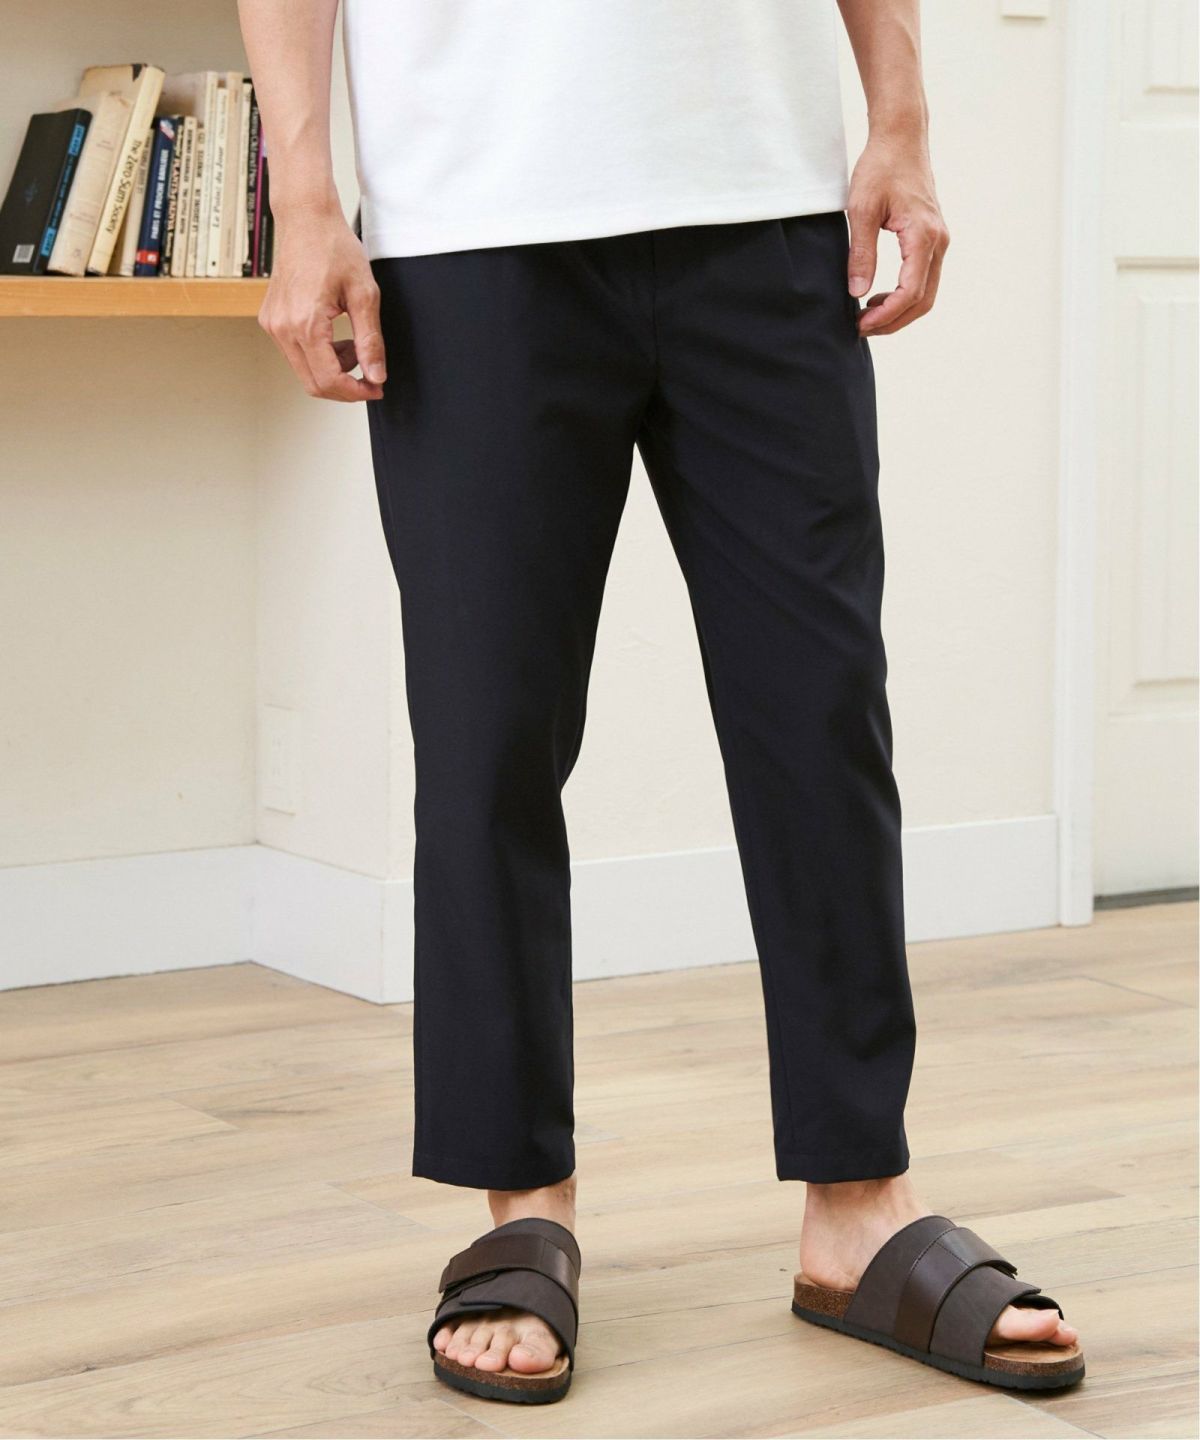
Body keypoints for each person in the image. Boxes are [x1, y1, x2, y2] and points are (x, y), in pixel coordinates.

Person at [239, 0, 1085, 1406]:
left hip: (767, 207)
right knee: (490, 736)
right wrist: (306, 198)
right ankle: (522, 1205)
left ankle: (858, 1205)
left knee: (821, 713)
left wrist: (901, 123)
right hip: (472, 222)